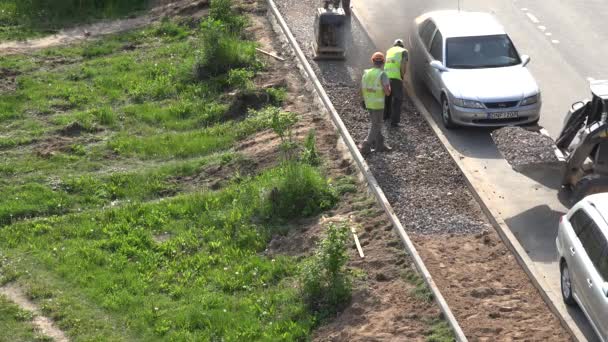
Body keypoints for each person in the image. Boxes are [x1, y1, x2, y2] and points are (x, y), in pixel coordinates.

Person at [359, 52, 392, 155]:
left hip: (368, 103)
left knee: (375, 123)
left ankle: (380, 144)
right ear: (383, 62)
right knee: (376, 125)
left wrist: (363, 100)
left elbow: (361, 88)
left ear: (372, 61)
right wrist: (389, 88)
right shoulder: (382, 74)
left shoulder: (366, 73)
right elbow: (387, 92)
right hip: (378, 104)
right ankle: (366, 145)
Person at [383, 39, 408, 127]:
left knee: (387, 97)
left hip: (386, 77)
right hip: (396, 78)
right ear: (402, 46)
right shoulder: (404, 51)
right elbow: (403, 65)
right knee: (398, 99)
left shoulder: (389, 51)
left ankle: (385, 116)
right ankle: (395, 122)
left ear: (394, 45)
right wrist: (402, 76)